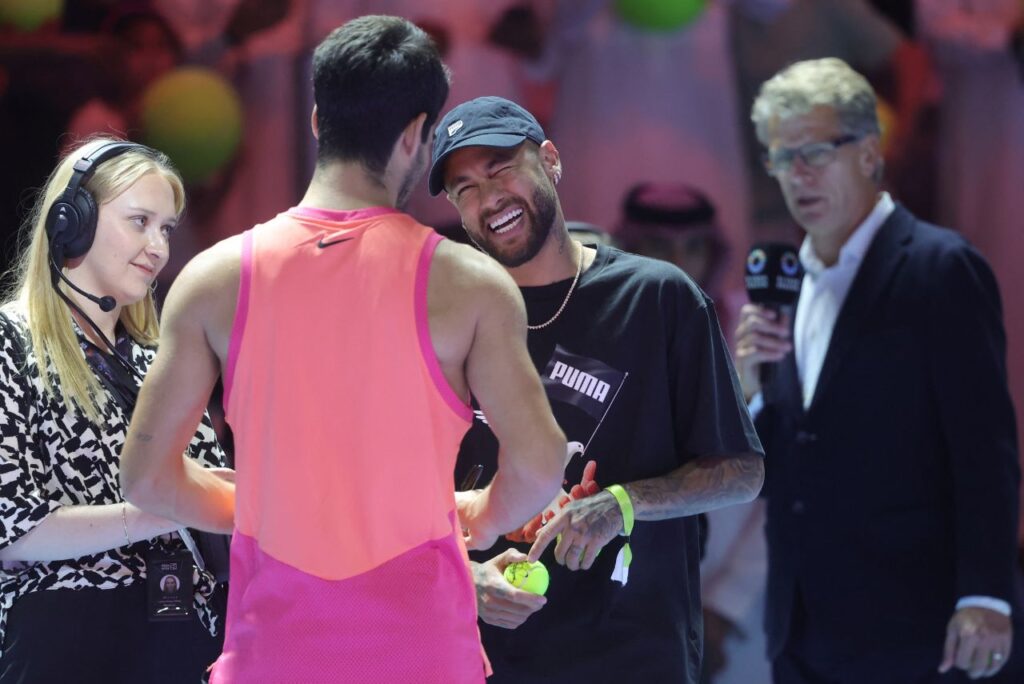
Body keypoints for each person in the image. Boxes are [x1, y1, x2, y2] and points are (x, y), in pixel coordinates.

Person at [119, 16, 566, 683]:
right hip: (423, 656)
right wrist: (474, 514)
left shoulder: (212, 278)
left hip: (273, 657)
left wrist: (274, 503)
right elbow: (539, 467)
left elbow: (147, 479)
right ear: (416, 134)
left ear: (317, 119)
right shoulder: (470, 284)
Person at [430, 95, 765, 683]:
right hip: (482, 657)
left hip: (632, 655)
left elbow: (741, 470)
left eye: (501, 169)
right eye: (464, 189)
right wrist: (460, 572)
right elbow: (410, 491)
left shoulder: (658, 297)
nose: (488, 199)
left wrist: (624, 503)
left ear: (550, 160)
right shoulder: (451, 318)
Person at [736, 57, 1021, 683]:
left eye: (815, 151)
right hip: (802, 626)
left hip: (916, 622)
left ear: (869, 151)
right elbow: (785, 468)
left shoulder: (938, 268)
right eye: (782, 157)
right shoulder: (789, 287)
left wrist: (986, 595)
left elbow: (985, 446)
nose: (798, 173)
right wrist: (752, 390)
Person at [0, 137, 226, 682]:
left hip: (181, 637)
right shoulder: (9, 340)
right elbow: (10, 531)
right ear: (69, 222)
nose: (158, 247)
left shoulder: (161, 361)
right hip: (65, 639)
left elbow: (210, 492)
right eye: (140, 220)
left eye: (166, 228)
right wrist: (170, 507)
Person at [614, 182, 772, 684]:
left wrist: (724, 607)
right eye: (660, 247)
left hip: (740, 603)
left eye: (694, 246)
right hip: (625, 597)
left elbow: (787, 485)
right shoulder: (604, 323)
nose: (680, 261)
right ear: (630, 247)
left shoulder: (757, 332)